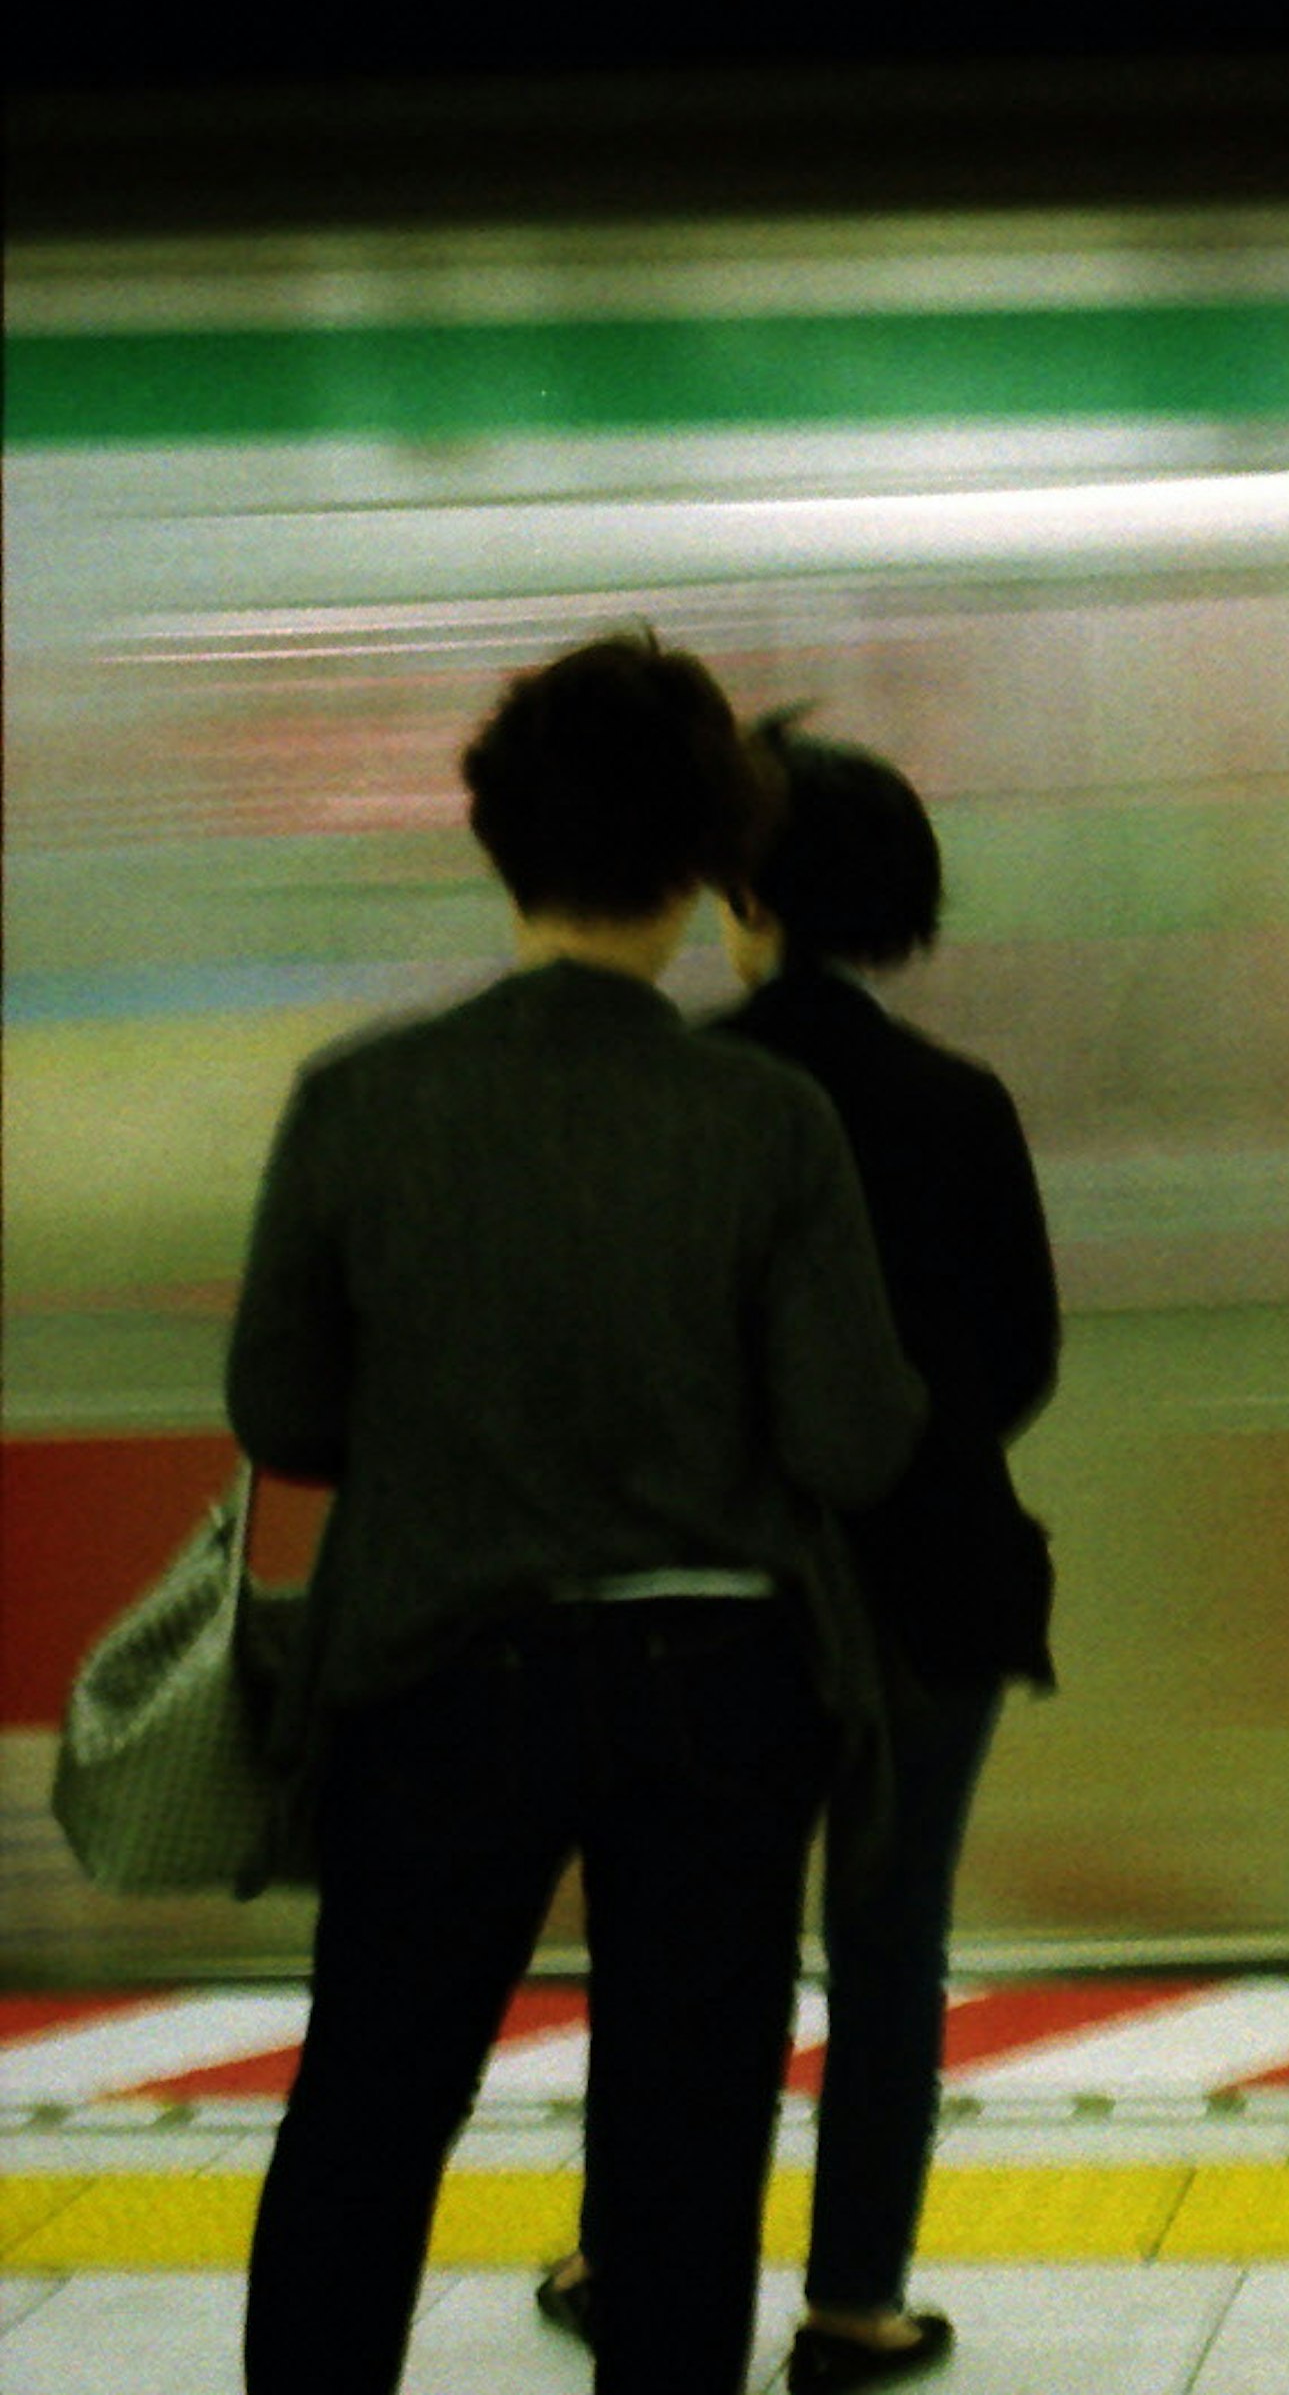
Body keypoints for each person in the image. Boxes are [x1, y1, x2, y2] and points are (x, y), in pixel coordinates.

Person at [232, 632, 924, 2395]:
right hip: (715, 1691)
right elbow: (856, 1438)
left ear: (499, 841)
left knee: (372, 2111)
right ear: (707, 862)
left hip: (434, 1681)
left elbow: (283, 1415)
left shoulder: (359, 1102)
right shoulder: (766, 1120)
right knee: (686, 2149)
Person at [544, 711, 1059, 2395]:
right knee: (890, 1945)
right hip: (933, 1591)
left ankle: (634, 2263)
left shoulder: (677, 1092)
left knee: (692, 1945)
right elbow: (1022, 1363)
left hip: (721, 1601)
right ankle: (853, 2309)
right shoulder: (962, 1102)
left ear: (745, 893)